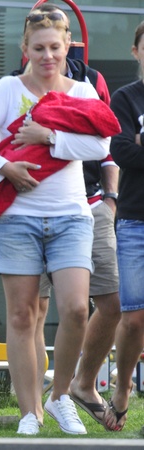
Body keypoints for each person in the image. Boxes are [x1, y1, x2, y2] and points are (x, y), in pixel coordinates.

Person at [0, 12, 112, 436]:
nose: (47, 56)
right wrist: (6, 168)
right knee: (22, 316)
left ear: (67, 48)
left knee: (76, 309)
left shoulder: (81, 91)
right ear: (25, 49)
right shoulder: (8, 89)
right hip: (17, 218)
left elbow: (100, 144)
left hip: (71, 215)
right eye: (39, 48)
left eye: (55, 48)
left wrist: (48, 137)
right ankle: (30, 412)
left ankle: (60, 396)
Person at [104, 19, 144, 432]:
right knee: (132, 319)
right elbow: (121, 152)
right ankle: (123, 386)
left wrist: (141, 143)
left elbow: (136, 150)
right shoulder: (125, 98)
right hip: (135, 221)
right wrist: (133, 146)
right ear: (136, 51)